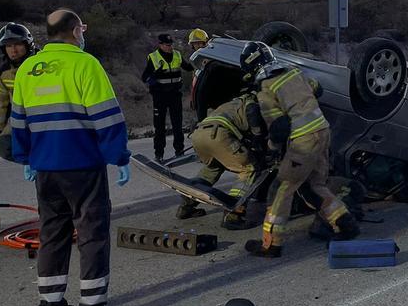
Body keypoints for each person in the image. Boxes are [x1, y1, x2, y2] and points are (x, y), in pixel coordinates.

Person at [11, 9, 132, 306]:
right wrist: (118, 156)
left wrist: (25, 158)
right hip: (82, 166)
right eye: (82, 30)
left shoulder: (28, 69)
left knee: (52, 233)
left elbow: (18, 121)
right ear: (76, 31)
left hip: (45, 169)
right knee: (92, 233)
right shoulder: (85, 64)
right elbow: (106, 118)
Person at [241, 41, 361, 258]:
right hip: (323, 132)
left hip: (303, 141)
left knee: (281, 188)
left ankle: (271, 244)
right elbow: (318, 88)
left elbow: (278, 128)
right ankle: (346, 224)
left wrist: (272, 150)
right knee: (314, 186)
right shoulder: (293, 72)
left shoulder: (265, 89)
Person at [174, 92, 266, 230]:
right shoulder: (252, 102)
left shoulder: (231, 103)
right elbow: (253, 114)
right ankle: (233, 214)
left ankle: (186, 207)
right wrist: (259, 138)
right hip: (218, 135)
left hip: (199, 135)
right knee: (249, 168)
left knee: (212, 168)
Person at [141, 33, 194, 161]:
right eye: (167, 45)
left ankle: (179, 151)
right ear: (160, 45)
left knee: (177, 125)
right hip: (160, 97)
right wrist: (154, 76)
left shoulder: (177, 55)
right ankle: (159, 154)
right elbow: (145, 78)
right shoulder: (153, 58)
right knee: (159, 127)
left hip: (175, 95)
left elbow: (189, 67)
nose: (170, 47)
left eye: (171, 45)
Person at [0, 23, 35, 160]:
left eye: (17, 44)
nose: (13, 50)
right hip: (19, 118)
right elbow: (1, 101)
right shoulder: (4, 72)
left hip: (43, 116)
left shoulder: (40, 65)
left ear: (27, 45)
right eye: (8, 46)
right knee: (3, 145)